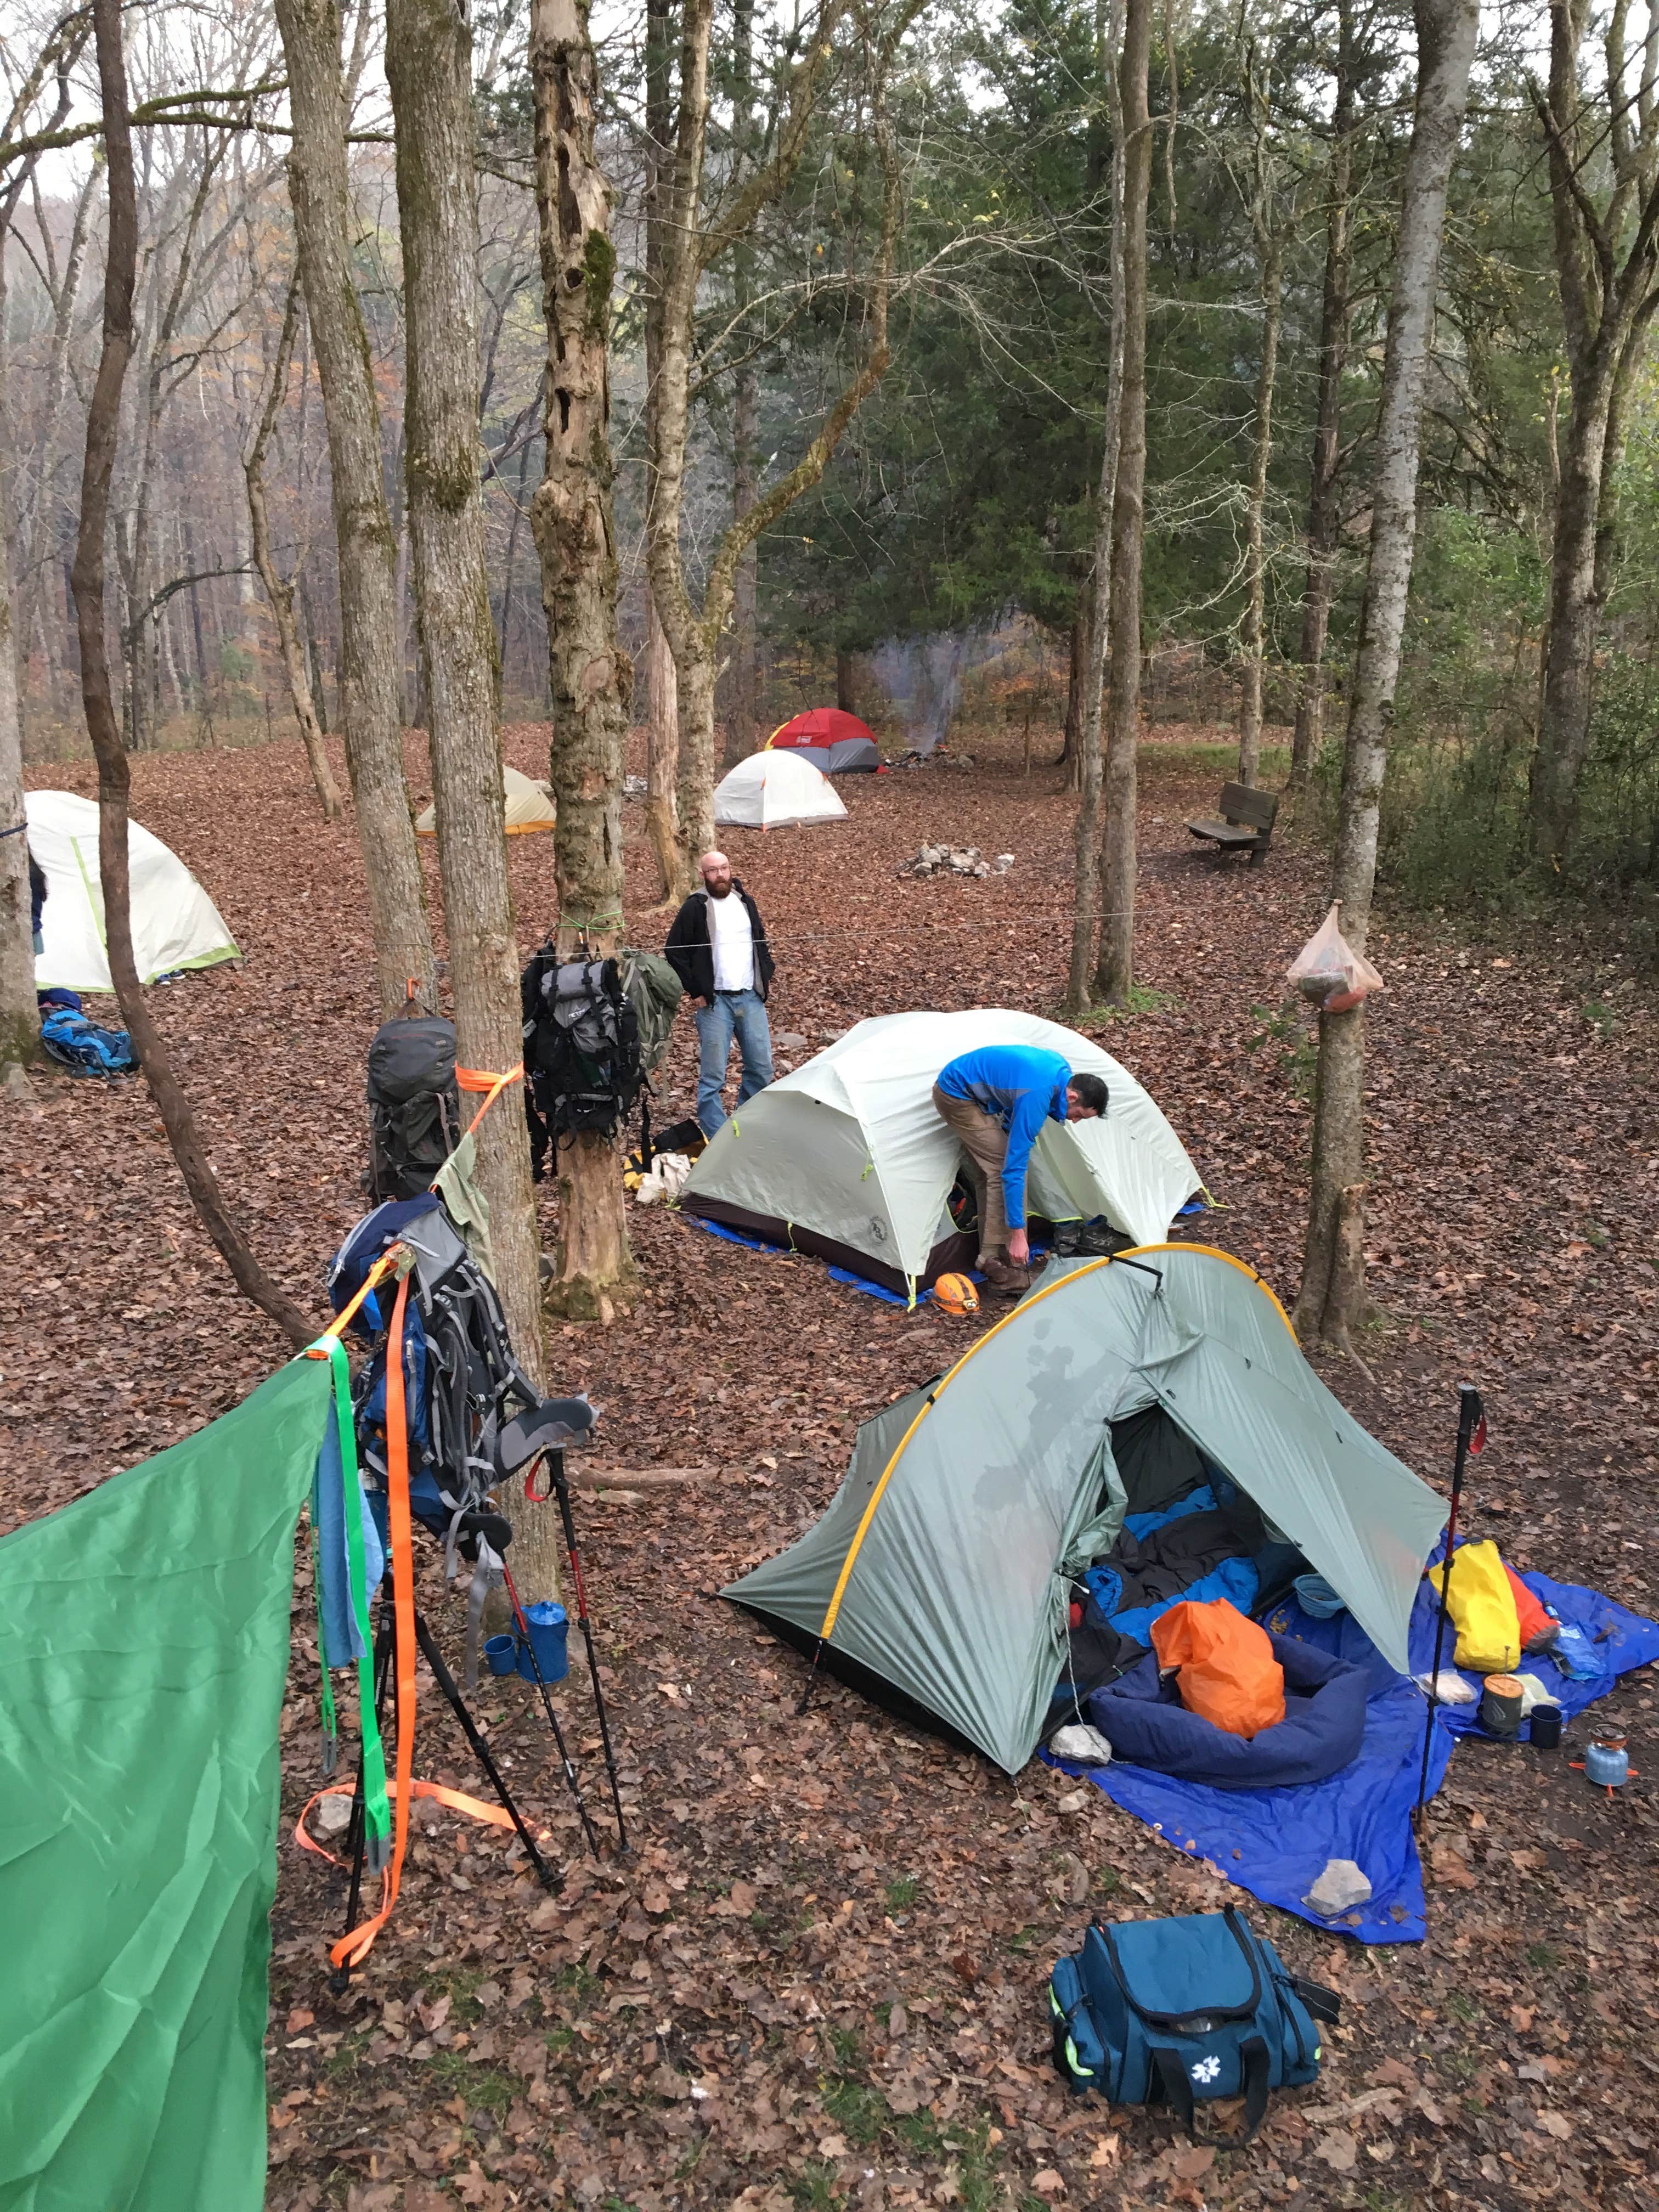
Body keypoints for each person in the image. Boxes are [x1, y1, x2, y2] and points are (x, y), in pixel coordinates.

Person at [932, 1046, 1108, 1294]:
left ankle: (999, 1254)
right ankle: (995, 1263)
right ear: (1072, 1097)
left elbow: (1013, 1088)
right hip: (957, 1094)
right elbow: (1013, 1170)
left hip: (978, 1093)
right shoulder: (1036, 1096)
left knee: (991, 1170)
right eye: (1079, 1115)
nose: (1075, 1121)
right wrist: (1018, 1234)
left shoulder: (1061, 1075)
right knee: (1001, 1168)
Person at [665, 849, 775, 1137]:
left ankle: (746, 1126)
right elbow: (674, 951)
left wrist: (766, 974)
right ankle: (716, 1136)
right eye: (713, 871)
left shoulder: (745, 901)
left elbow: (760, 940)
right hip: (715, 1003)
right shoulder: (695, 906)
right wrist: (695, 990)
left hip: (750, 997)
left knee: (762, 1068)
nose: (720, 875)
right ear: (703, 875)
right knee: (713, 1076)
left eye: (724, 868)